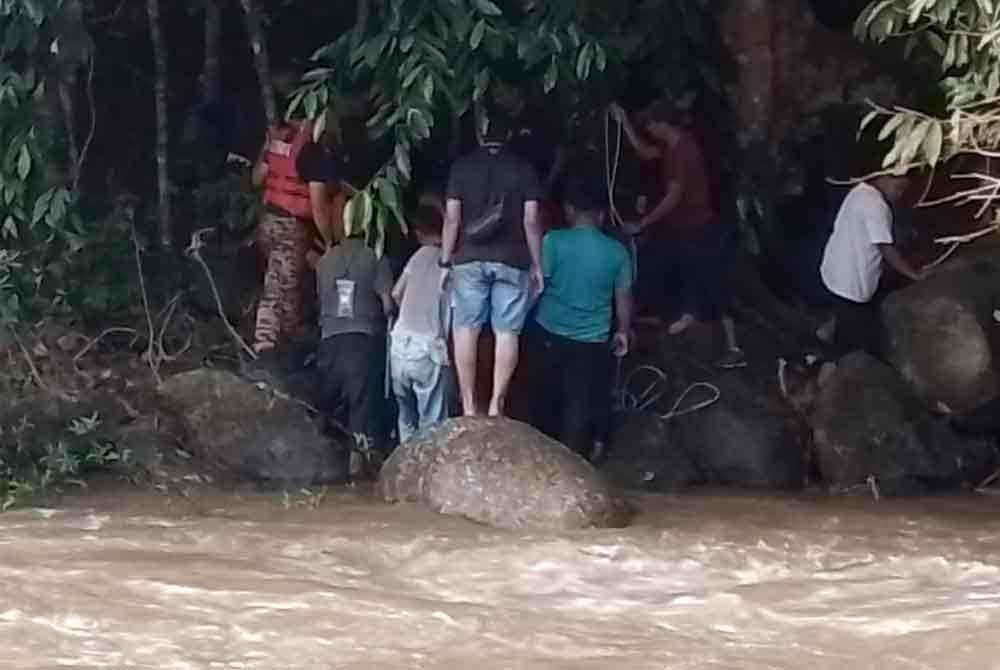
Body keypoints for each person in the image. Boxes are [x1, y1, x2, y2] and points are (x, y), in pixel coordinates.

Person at [608, 101, 746, 369]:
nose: (649, 131)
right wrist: (624, 123)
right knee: (675, 269)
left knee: (714, 284)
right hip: (680, 227)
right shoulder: (672, 145)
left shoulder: (683, 150)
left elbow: (673, 196)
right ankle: (683, 316)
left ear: (662, 125)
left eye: (650, 126)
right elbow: (646, 153)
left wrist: (643, 222)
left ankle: (733, 348)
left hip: (700, 227)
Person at [441, 112, 544, 417]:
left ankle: (470, 407)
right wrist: (537, 264)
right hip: (513, 260)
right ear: (509, 135)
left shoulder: (462, 167)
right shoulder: (524, 170)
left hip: (469, 258)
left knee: (466, 329)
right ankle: (497, 405)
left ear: (480, 134)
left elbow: (451, 219)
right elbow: (531, 221)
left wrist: (445, 261)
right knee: (507, 331)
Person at [530, 177, 632, 461]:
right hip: (592, 339)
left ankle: (542, 462)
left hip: (549, 331)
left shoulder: (553, 242)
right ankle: (576, 463)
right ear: (601, 215)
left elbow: (537, 287)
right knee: (581, 403)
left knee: (546, 398)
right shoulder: (617, 252)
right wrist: (622, 331)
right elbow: (623, 298)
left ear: (569, 210)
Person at [314, 212, 395, 464]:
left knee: (326, 406)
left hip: (328, 340)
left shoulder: (324, 261)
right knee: (361, 406)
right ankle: (358, 468)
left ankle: (321, 460)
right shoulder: (376, 256)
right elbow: (387, 304)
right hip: (362, 340)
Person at [820, 174, 923, 356]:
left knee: (846, 320)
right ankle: (834, 361)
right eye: (898, 188)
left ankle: (831, 342)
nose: (900, 195)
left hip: (835, 269)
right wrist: (914, 275)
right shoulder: (876, 206)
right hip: (851, 283)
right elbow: (885, 248)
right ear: (884, 178)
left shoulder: (860, 191)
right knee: (859, 338)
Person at [390, 205, 451, 442]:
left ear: (418, 232)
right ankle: (426, 473)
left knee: (406, 418)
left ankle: (404, 467)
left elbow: (396, 293)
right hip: (427, 351)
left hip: (399, 347)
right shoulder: (449, 264)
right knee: (431, 424)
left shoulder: (417, 256)